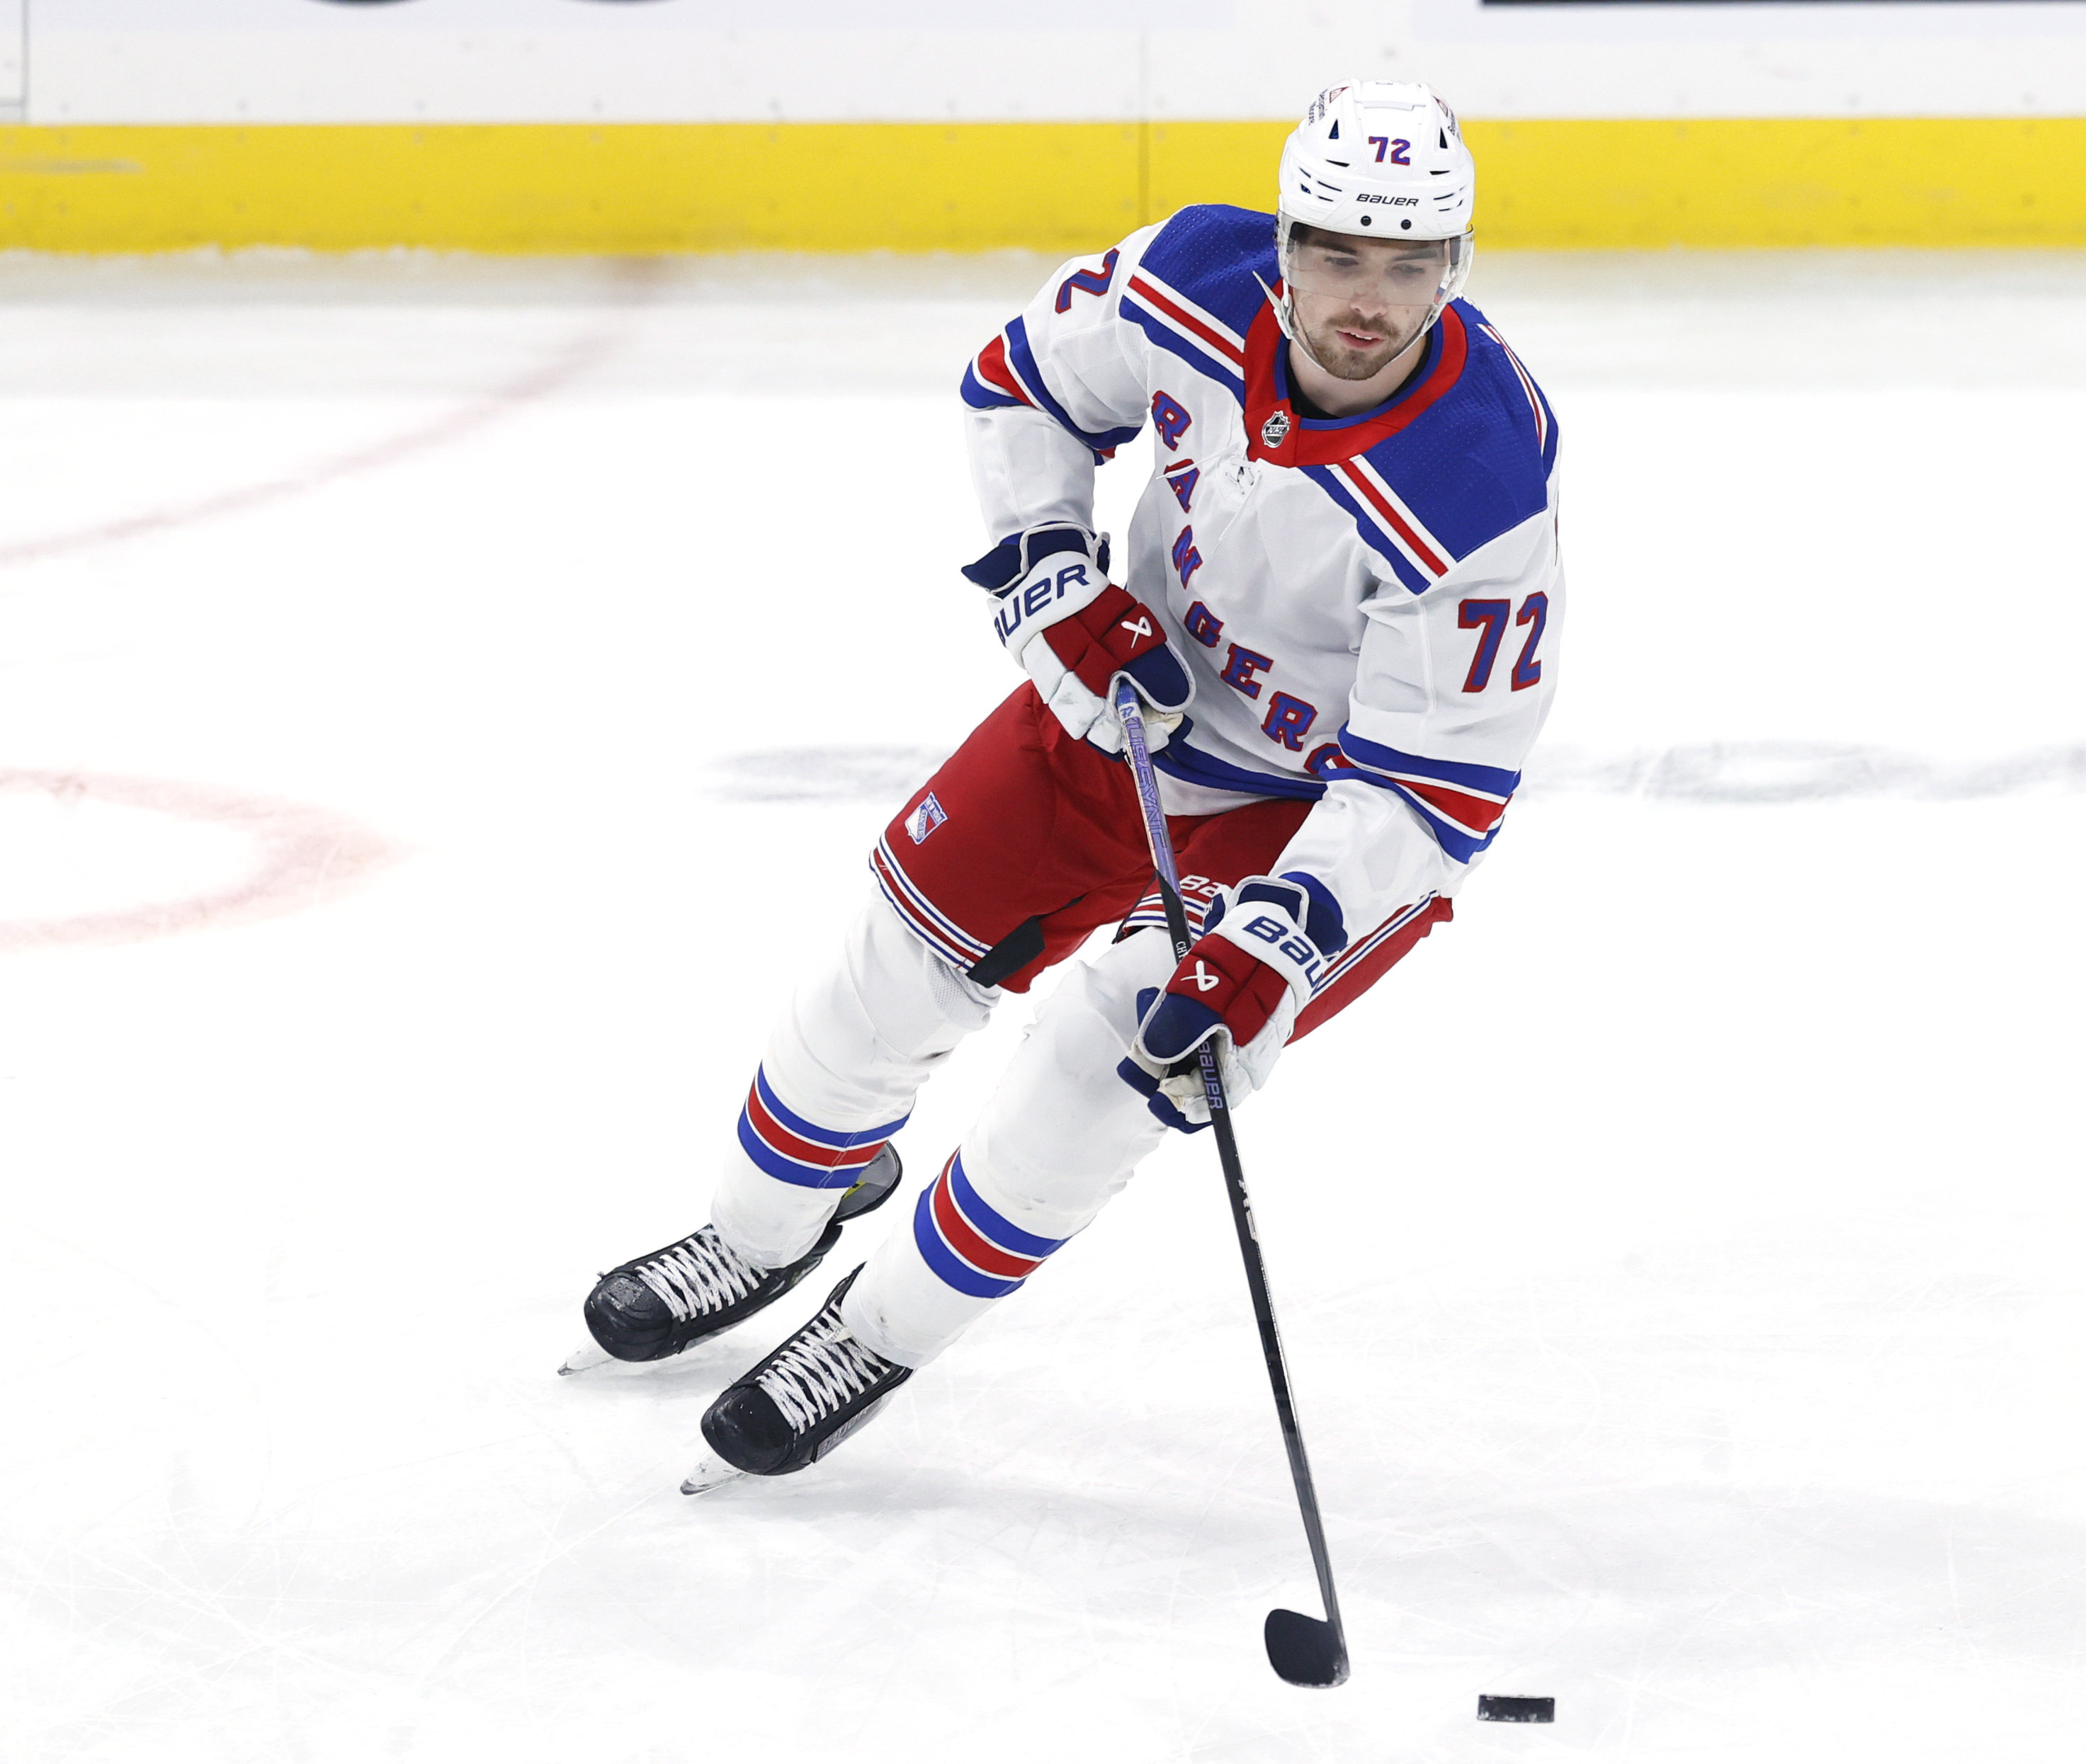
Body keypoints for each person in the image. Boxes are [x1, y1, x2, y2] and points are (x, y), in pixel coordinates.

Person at [566, 80, 1567, 1489]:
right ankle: (760, 1228)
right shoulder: (1191, 276)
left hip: (1322, 816)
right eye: (1339, 252)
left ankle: (883, 1329)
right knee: (884, 975)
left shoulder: (1474, 482)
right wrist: (1049, 564)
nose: (1369, 299)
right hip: (1132, 703)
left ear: (1451, 269)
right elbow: (1023, 381)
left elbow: (1435, 787)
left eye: (1410, 266)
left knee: (1098, 1071)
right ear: (1286, 240)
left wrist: (1273, 942)